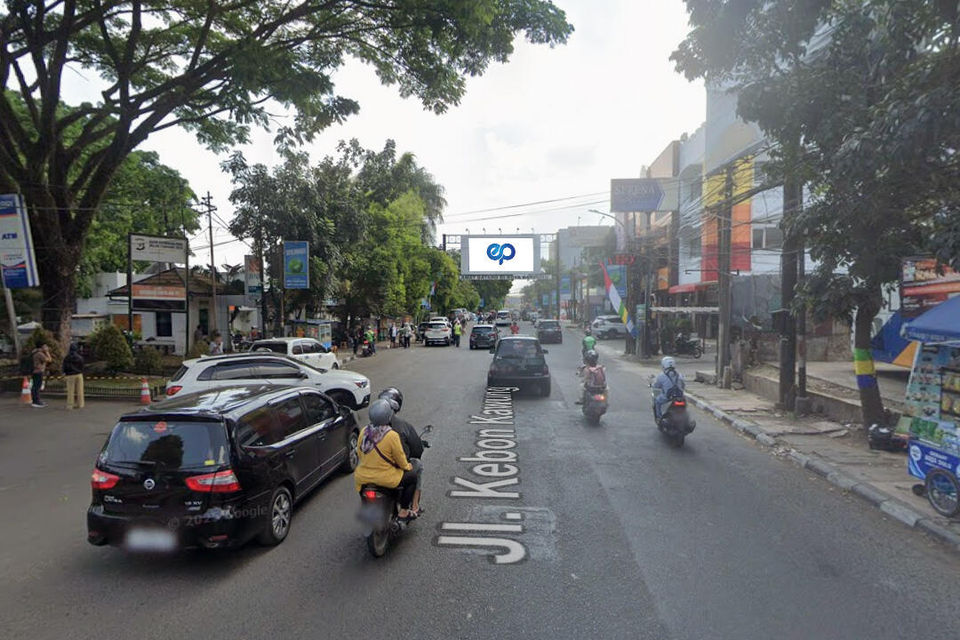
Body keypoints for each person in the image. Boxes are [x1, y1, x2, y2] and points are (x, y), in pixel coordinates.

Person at [353, 399, 421, 520]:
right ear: (389, 417)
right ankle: (404, 511)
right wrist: (408, 467)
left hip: (363, 478)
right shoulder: (391, 435)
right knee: (412, 477)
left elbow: (360, 453)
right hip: (386, 479)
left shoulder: (364, 432)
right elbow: (400, 458)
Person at [378, 387, 424, 516]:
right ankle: (411, 507)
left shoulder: (366, 430)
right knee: (415, 472)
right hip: (390, 473)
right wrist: (407, 465)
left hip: (367, 474)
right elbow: (413, 452)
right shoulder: (400, 428)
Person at [652, 356, 686, 423]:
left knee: (657, 402)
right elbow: (683, 385)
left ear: (664, 365)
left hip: (668, 397)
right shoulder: (680, 375)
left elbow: (656, 385)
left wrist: (653, 385)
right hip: (680, 397)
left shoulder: (661, 376)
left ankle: (659, 418)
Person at [63, 343, 85, 410]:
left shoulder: (67, 357)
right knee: (80, 390)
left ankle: (70, 405)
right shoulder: (80, 357)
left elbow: (65, 367)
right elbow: (82, 366)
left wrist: (65, 373)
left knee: (70, 391)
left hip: (70, 375)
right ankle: (80, 404)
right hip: (79, 374)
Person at [30, 344, 51, 408]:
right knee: (37, 387)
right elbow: (49, 360)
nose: (47, 348)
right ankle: (36, 401)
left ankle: (35, 401)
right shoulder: (39, 354)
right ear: (42, 347)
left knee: (35, 386)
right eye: (45, 347)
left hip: (34, 371)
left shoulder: (34, 352)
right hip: (38, 371)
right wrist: (47, 352)